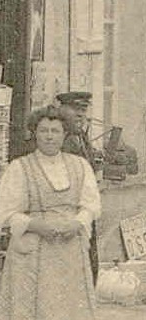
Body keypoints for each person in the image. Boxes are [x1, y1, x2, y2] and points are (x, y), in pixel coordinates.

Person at [0, 105, 105, 320]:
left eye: (55, 131)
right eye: (44, 131)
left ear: (65, 134)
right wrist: (39, 225)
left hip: (68, 251)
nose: (49, 137)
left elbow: (91, 205)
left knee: (65, 317)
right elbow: (5, 213)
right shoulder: (20, 168)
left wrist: (74, 223)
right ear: (34, 133)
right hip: (33, 251)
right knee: (33, 315)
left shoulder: (80, 167)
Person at [56, 91, 100, 285]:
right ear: (61, 110)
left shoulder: (80, 136)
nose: (80, 114)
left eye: (83, 109)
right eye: (75, 109)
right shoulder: (56, 139)